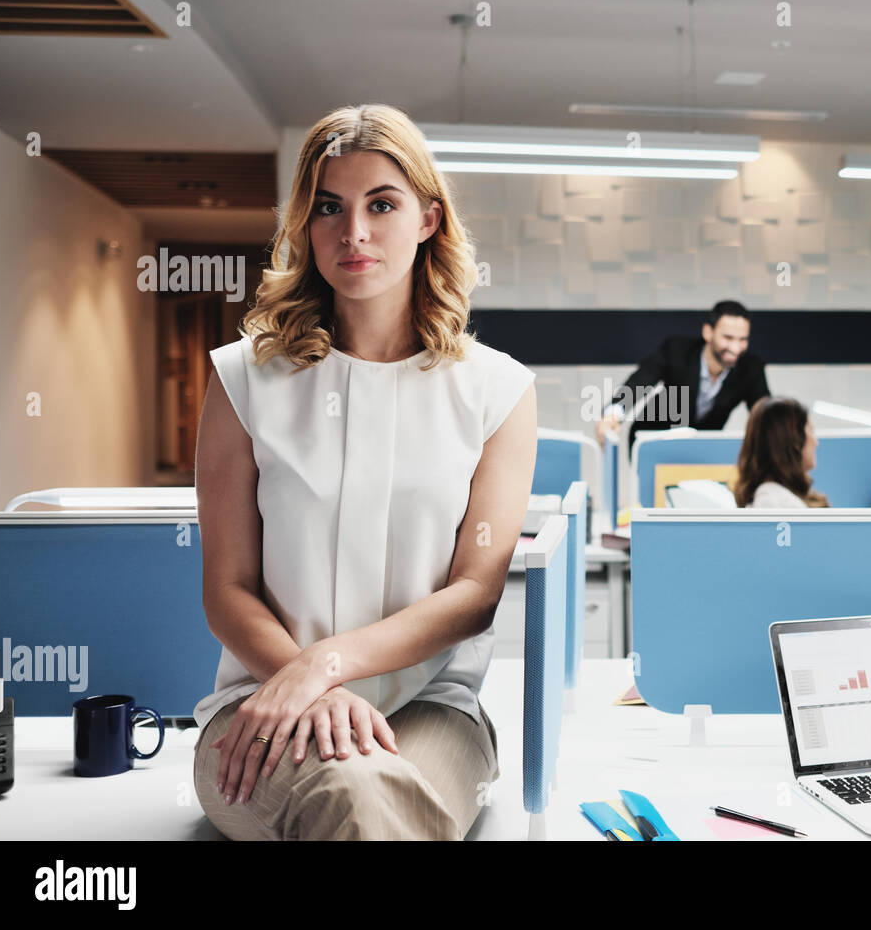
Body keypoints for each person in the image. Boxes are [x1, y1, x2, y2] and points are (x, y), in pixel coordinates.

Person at [191, 103, 537, 840]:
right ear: (304, 226)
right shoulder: (242, 381)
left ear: (428, 220)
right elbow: (227, 590)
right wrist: (307, 683)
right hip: (266, 700)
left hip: (432, 709)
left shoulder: (497, 391)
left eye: (382, 204)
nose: (354, 233)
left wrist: (329, 666)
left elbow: (475, 595)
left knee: (373, 797)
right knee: (353, 797)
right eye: (329, 208)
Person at [593, 300, 770, 452]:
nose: (736, 348)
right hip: (656, 439)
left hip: (700, 446)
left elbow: (764, 409)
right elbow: (640, 381)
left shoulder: (751, 368)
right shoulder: (676, 351)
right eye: (728, 338)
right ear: (708, 332)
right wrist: (613, 414)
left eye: (742, 339)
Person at [734, 397, 829, 508]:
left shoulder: (779, 496)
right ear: (793, 441)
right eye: (810, 430)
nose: (815, 442)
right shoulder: (773, 501)